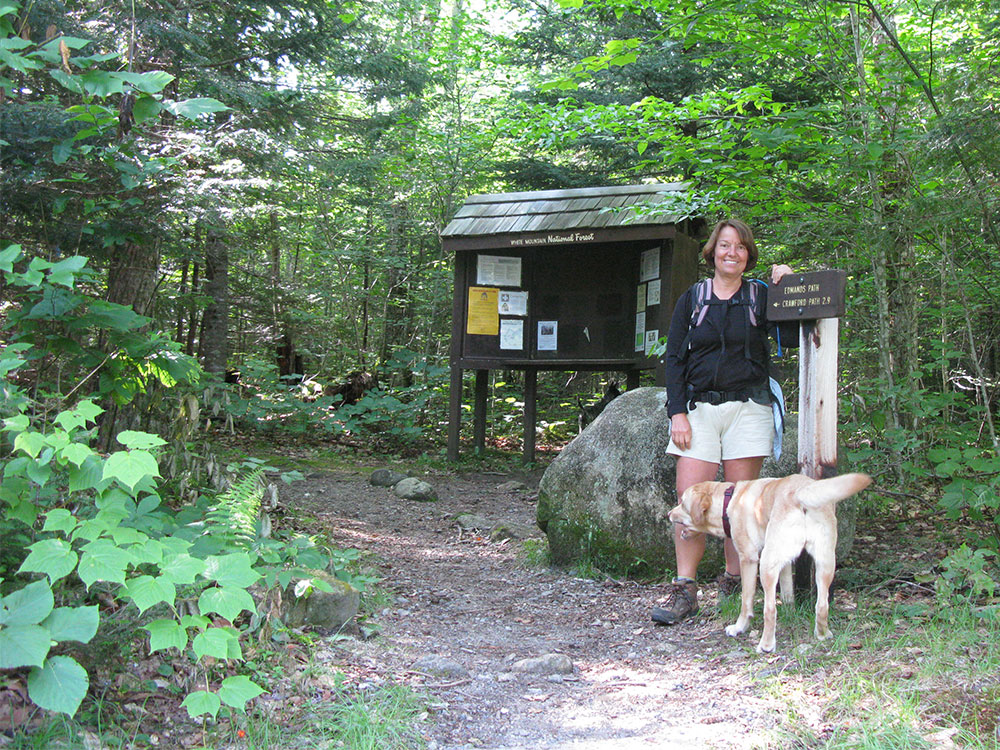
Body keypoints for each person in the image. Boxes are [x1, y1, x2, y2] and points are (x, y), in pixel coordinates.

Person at [651, 219, 795, 625]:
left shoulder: (759, 296)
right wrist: (676, 412)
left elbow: (791, 336)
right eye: (725, 245)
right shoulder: (692, 299)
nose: (732, 253)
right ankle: (685, 589)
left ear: (749, 255)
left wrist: (786, 286)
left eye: (740, 247)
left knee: (740, 506)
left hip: (749, 409)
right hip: (698, 411)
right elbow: (675, 358)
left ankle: (734, 583)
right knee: (689, 501)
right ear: (712, 251)